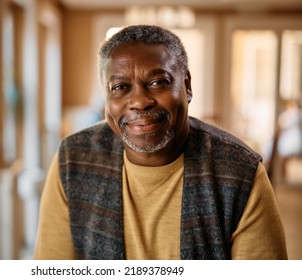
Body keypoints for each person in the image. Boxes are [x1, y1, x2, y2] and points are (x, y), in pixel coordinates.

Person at [34, 25, 287, 260]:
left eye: (157, 82)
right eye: (120, 87)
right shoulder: (73, 159)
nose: (140, 101)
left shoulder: (241, 172)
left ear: (186, 86)